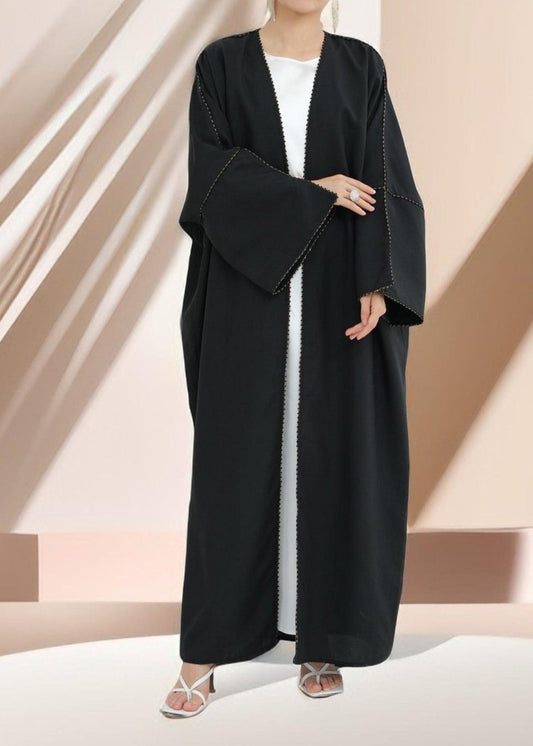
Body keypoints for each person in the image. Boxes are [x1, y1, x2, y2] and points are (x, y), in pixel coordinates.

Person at [161, 0, 426, 717]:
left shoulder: (360, 66)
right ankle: (203, 654)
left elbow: (385, 177)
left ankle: (321, 640)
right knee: (235, 462)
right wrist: (310, 194)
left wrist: (379, 280)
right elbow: (212, 180)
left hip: (338, 287)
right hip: (248, 291)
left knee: (332, 457)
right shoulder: (222, 64)